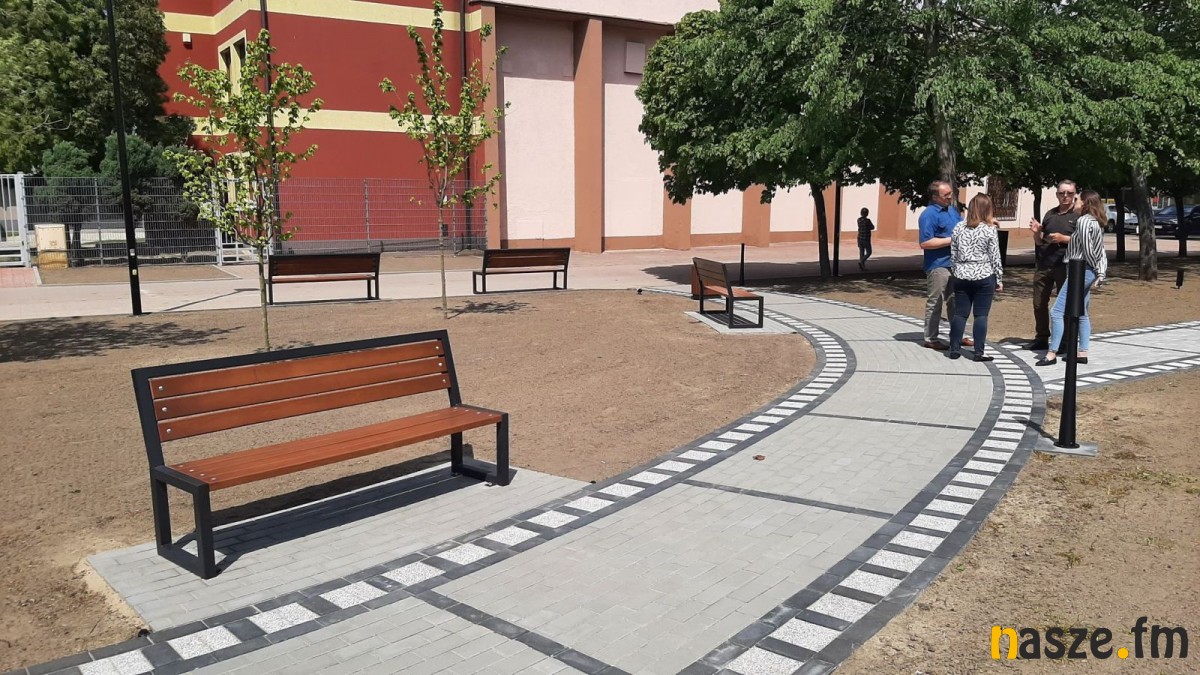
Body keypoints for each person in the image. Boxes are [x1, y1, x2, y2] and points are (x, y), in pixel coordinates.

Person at [1036, 190, 1108, 366]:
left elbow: (1090, 251)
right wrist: (1100, 272)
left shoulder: (1083, 221)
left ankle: (1052, 353)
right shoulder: (1095, 222)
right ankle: (1082, 352)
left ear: (1085, 203)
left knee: (1056, 311)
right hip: (1085, 270)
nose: (1074, 202)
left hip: (1080, 270)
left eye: (1077, 199)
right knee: (1082, 313)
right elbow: (1100, 250)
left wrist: (1094, 269)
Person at [948, 194, 1003, 361]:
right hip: (983, 274)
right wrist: (999, 278)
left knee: (960, 314)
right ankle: (979, 352)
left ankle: (954, 349)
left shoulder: (958, 227)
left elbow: (953, 252)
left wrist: (956, 270)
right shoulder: (989, 229)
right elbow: (995, 256)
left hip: (962, 273)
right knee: (981, 315)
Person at [1027, 180, 1081, 350]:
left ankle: (1065, 341)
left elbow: (1085, 241)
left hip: (1065, 266)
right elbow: (1040, 241)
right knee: (1039, 303)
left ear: (1074, 194)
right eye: (1062, 193)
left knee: (1064, 305)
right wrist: (1037, 233)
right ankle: (1041, 337)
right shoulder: (1050, 214)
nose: (1065, 196)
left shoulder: (1078, 216)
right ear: (1057, 194)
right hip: (1044, 264)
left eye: (1069, 193)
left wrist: (1064, 239)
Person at [919, 180, 972, 350]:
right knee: (936, 301)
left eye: (950, 193)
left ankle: (958, 335)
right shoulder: (928, 215)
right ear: (935, 197)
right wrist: (952, 240)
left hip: (956, 263)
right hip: (938, 265)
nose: (950, 197)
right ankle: (931, 338)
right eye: (946, 195)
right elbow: (925, 243)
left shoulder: (952, 211)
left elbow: (963, 227)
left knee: (956, 301)